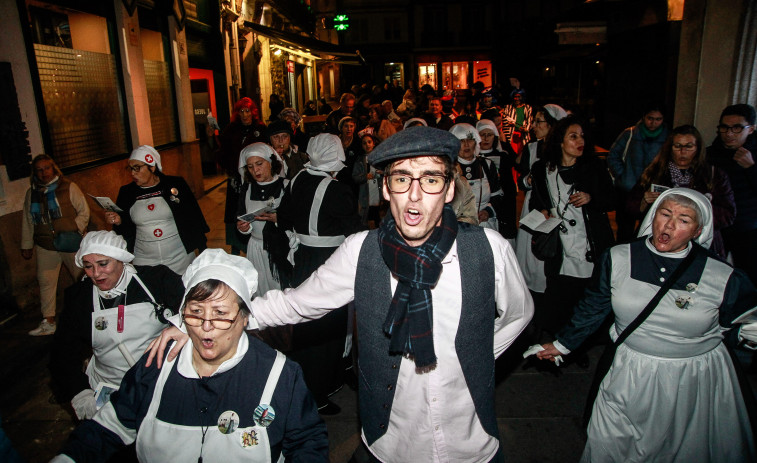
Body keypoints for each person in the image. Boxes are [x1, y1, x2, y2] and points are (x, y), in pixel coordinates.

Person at [148, 126, 534, 462]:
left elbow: (519, 313)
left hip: (472, 443)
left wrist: (476, 357)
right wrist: (206, 320)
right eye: (402, 179)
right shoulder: (361, 252)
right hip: (391, 442)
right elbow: (295, 303)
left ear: (449, 189)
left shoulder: (489, 251)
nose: (414, 196)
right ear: (385, 188)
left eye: (430, 179)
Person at [536, 188, 756, 462]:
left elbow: (746, 325)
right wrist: (562, 344)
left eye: (684, 220)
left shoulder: (722, 275)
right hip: (628, 371)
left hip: (690, 380)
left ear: (698, 230)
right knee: (609, 441)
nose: (669, 225)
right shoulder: (618, 257)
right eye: (665, 214)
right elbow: (593, 307)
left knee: (679, 448)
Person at [53, 249, 329, 462]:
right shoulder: (155, 366)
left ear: (245, 318)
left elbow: (306, 441)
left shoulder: (279, 374)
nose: (206, 327)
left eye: (221, 314)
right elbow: (109, 428)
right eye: (196, 313)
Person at [49, 231, 183, 421]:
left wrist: (182, 326)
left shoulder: (156, 281)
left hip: (159, 383)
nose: (96, 273)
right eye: (88, 266)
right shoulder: (79, 298)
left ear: (122, 260)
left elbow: (195, 311)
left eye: (103, 264)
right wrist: (79, 392)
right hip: (109, 387)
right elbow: (62, 353)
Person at [276, 133, 363, 414]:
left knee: (306, 321)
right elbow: (355, 229)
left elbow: (284, 217)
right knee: (328, 325)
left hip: (303, 258)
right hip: (330, 261)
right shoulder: (336, 189)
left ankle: (315, 380)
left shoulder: (298, 178)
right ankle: (318, 390)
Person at [528, 115, 615, 340]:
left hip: (589, 242)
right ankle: (559, 337)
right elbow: (537, 202)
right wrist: (543, 212)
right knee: (560, 294)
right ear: (560, 141)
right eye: (573, 136)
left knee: (586, 295)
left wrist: (591, 198)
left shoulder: (593, 166)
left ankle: (582, 342)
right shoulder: (542, 169)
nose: (580, 142)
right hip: (560, 244)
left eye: (582, 137)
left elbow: (611, 199)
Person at [627, 125, 735, 259]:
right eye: (677, 146)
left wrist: (696, 215)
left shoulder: (713, 175)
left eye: (689, 146)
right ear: (669, 148)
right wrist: (644, 201)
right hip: (661, 241)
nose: (682, 151)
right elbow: (631, 206)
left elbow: (728, 214)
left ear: (698, 148)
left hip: (699, 244)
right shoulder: (655, 172)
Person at [108, 146, 209, 274]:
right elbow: (125, 230)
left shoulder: (175, 184)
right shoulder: (126, 193)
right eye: (130, 168)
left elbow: (193, 216)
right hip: (144, 259)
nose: (133, 173)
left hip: (179, 257)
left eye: (137, 168)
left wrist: (202, 248)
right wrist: (118, 221)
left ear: (152, 167)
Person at [21, 154, 90, 336]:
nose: (44, 173)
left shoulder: (68, 187)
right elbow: (28, 220)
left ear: (54, 168)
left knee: (82, 278)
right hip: (45, 244)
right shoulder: (32, 194)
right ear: (35, 173)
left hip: (69, 242)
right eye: (39, 170)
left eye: (47, 168)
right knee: (46, 282)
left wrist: (76, 228)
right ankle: (49, 321)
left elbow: (83, 210)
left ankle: (89, 312)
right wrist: (26, 244)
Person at [514, 105, 567, 300]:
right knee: (530, 250)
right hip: (533, 206)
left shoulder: (562, 149)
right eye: (534, 121)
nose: (534, 126)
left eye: (539, 122)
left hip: (556, 205)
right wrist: (527, 181)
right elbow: (521, 179)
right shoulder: (531, 147)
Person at [707, 103, 757, 286]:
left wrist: (751, 168)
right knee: (712, 274)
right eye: (724, 127)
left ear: (750, 129)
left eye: (736, 128)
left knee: (749, 276)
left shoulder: (753, 154)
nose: (729, 133)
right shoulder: (711, 154)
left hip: (748, 227)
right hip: (718, 225)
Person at [607, 103, 668, 243]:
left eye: (658, 119)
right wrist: (623, 176)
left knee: (648, 228)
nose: (653, 123)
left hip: (652, 190)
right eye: (650, 118)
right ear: (644, 117)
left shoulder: (667, 138)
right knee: (624, 228)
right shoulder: (630, 133)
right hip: (628, 188)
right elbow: (613, 155)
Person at [236, 143, 292, 295]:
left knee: (280, 291)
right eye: (250, 166)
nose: (255, 170)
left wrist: (278, 219)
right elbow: (241, 217)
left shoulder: (286, 186)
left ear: (270, 162)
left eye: (259, 164)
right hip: (255, 248)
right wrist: (244, 228)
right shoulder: (246, 189)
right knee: (260, 290)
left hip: (280, 248)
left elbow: (297, 219)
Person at [216, 97, 268, 255]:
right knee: (235, 214)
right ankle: (235, 247)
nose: (245, 115)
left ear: (253, 112)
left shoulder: (260, 129)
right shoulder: (231, 130)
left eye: (247, 111)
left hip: (255, 179)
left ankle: (255, 246)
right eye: (241, 111)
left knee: (254, 209)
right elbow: (221, 153)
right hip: (236, 181)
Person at [450, 123, 509, 234]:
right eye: (461, 141)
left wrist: (488, 211)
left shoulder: (486, 165)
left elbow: (497, 195)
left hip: (485, 224)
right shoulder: (449, 167)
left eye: (470, 140)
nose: (466, 144)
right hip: (458, 226)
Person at [477, 119, 518, 240]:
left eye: (489, 135)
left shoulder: (503, 157)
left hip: (502, 205)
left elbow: (509, 187)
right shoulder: (473, 159)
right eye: (482, 135)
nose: (485, 138)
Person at [352, 133, 384, 227]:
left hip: (380, 194)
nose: (367, 145)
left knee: (380, 218)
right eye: (364, 143)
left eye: (369, 142)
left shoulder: (381, 158)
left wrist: (383, 173)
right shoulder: (360, 160)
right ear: (362, 146)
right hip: (366, 196)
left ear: (373, 143)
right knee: (368, 220)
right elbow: (355, 177)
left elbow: (390, 173)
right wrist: (365, 177)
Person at [500, 88, 532, 153]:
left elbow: (529, 121)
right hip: (511, 135)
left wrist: (525, 129)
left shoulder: (527, 108)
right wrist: (516, 126)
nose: (516, 99)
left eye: (518, 97)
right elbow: (506, 119)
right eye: (515, 97)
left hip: (523, 135)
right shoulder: (508, 108)